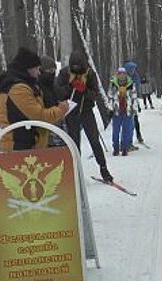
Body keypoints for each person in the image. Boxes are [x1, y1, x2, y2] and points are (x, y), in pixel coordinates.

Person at [0, 47, 69, 151]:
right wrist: (61, 110)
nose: (39, 73)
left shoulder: (23, 85)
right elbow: (40, 116)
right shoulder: (18, 89)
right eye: (37, 69)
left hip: (27, 146)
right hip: (19, 148)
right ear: (28, 68)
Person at [56, 50, 113, 182]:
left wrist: (84, 90)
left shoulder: (90, 73)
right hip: (71, 112)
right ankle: (75, 171)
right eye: (74, 69)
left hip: (86, 111)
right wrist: (70, 88)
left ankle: (104, 168)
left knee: (94, 140)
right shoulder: (64, 73)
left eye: (78, 69)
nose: (76, 72)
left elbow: (94, 94)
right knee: (74, 143)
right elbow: (58, 91)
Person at [39, 56, 67, 147]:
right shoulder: (37, 85)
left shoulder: (54, 82)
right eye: (50, 71)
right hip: (46, 123)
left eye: (54, 70)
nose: (53, 73)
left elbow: (60, 95)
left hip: (58, 119)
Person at [108, 67, 136, 156]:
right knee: (116, 131)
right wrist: (110, 108)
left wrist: (134, 108)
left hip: (127, 110)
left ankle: (124, 148)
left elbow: (134, 97)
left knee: (126, 131)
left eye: (123, 74)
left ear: (126, 74)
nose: (122, 75)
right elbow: (110, 96)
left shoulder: (131, 84)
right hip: (117, 111)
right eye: (120, 74)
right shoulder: (113, 84)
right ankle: (116, 148)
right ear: (117, 74)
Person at [122, 59, 143, 146]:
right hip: (124, 102)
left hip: (133, 101)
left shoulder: (135, 75)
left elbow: (137, 87)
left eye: (134, 69)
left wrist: (136, 103)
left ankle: (138, 135)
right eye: (132, 69)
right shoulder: (123, 76)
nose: (133, 71)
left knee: (135, 120)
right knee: (127, 122)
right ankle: (126, 141)